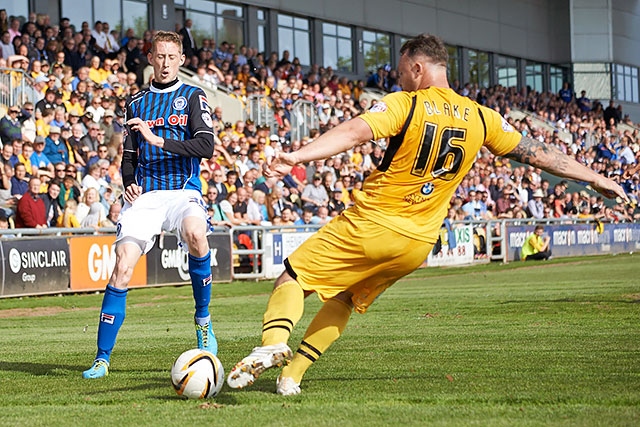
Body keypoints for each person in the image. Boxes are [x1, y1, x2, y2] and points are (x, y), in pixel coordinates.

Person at [226, 34, 629, 396]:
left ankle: (274, 342)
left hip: (373, 223)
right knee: (346, 300)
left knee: (294, 277)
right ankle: (291, 378)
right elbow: (538, 153)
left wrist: (297, 155)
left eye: (402, 72)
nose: (399, 80)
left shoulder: (407, 103)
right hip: (417, 243)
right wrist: (593, 177)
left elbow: (352, 133)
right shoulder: (481, 116)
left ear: (418, 68)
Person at [82, 31, 218, 379]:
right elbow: (129, 156)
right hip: (147, 197)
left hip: (182, 190)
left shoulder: (192, 96)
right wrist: (129, 183)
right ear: (150, 58)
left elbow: (205, 147)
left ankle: (203, 320)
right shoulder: (137, 102)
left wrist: (159, 140)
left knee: (196, 234)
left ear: (181, 59)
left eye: (172, 57)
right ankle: (102, 358)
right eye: (159, 56)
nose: (165, 63)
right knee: (122, 266)